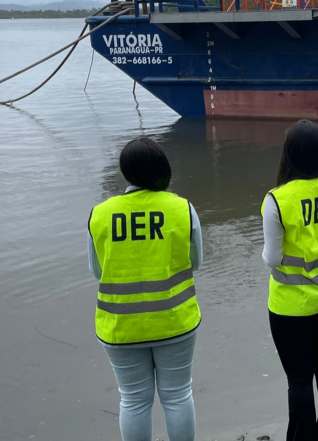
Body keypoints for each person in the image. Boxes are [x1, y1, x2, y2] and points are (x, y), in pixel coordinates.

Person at [87, 137, 203, 441]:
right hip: (174, 319)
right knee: (177, 396)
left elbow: (97, 271)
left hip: (120, 326)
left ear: (125, 173)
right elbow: (196, 262)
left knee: (133, 400)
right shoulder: (183, 208)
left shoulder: (99, 214)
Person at [261, 119, 318, 441]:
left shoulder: (277, 199)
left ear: (288, 156)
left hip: (290, 305)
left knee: (299, 379)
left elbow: (272, 258)